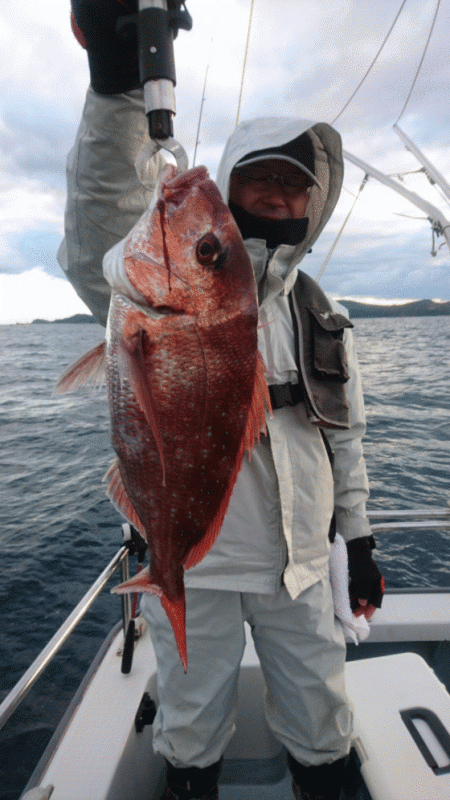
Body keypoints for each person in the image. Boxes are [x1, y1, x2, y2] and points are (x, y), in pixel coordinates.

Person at [61, 4, 384, 799]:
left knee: (323, 726)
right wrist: (116, 85)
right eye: (262, 176)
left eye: (296, 183)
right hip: (195, 568)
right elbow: (103, 205)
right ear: (232, 180)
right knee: (190, 731)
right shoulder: (153, 286)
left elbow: (345, 438)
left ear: (314, 204)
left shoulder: (322, 314)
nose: (278, 193)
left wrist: (360, 539)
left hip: (301, 567)